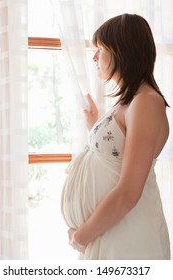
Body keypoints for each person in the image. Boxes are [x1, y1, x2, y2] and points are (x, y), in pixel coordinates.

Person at [61, 13, 171, 259]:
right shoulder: (130, 101)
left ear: (123, 51)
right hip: (114, 231)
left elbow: (129, 192)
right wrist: (96, 124)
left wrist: (82, 236)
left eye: (100, 49)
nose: (94, 57)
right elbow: (119, 154)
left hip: (128, 234)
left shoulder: (146, 102)